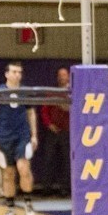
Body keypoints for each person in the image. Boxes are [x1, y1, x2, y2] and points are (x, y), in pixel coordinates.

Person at [0, 61, 38, 215]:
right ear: (7, 74)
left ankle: (27, 204)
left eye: (19, 72)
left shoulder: (25, 92)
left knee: (23, 168)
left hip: (22, 136)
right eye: (14, 72)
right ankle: (11, 208)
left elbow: (31, 114)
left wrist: (34, 135)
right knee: (8, 174)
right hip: (5, 138)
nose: (17, 75)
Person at [38, 67, 70, 197]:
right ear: (57, 77)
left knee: (67, 160)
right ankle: (46, 188)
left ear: (68, 76)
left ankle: (65, 188)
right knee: (48, 159)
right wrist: (49, 124)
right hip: (52, 131)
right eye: (60, 75)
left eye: (64, 75)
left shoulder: (74, 91)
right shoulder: (52, 92)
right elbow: (44, 111)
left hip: (68, 131)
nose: (62, 77)